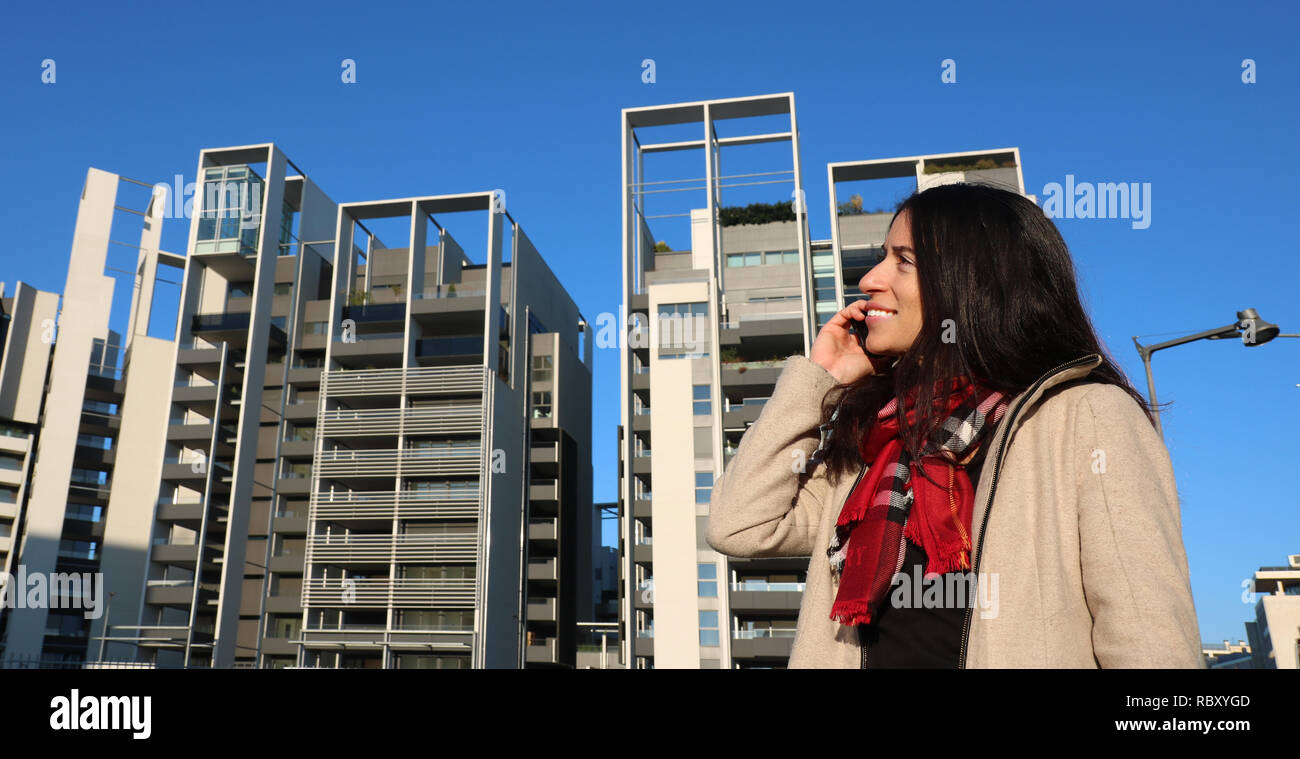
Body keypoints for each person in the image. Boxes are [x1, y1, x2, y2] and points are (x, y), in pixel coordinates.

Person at [706, 182, 1203, 668]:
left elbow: (1147, 635)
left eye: (904, 260)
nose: (870, 280)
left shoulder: (1084, 417)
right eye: (883, 256)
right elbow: (741, 525)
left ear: (974, 283)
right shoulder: (879, 445)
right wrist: (819, 380)